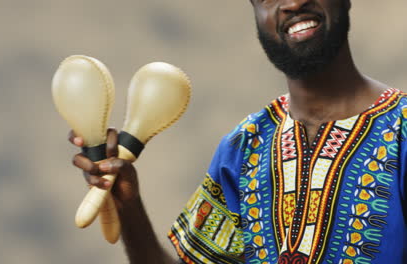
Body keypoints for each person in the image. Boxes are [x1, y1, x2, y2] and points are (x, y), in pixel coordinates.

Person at [70, 0, 407, 263]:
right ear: (257, 14)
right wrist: (129, 206)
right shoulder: (243, 146)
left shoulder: (402, 129)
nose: (291, 4)